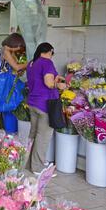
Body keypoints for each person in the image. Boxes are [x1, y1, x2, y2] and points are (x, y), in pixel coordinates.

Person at [26, 42, 66, 175]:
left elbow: (38, 79)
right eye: (52, 53)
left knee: (33, 134)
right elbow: (48, 83)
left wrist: (56, 78)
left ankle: (27, 162)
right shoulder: (47, 62)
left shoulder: (32, 63)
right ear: (49, 51)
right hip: (44, 105)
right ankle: (37, 168)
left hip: (33, 103)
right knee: (42, 137)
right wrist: (59, 86)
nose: (52, 56)